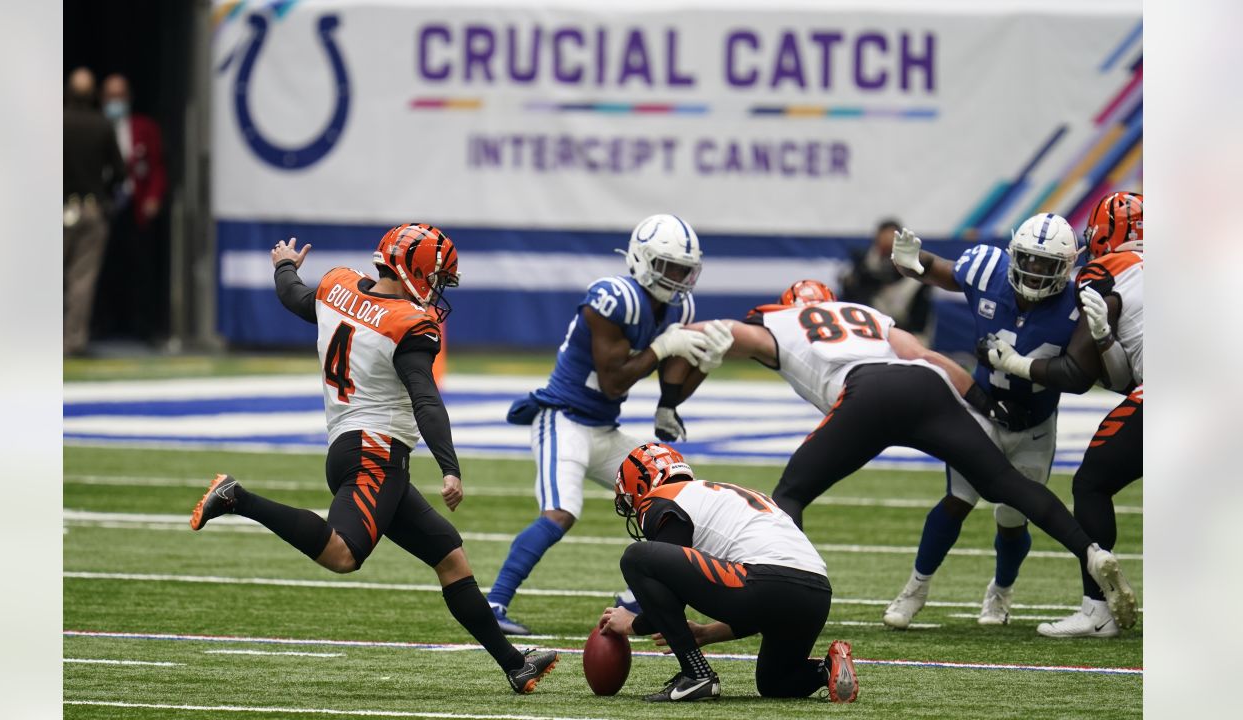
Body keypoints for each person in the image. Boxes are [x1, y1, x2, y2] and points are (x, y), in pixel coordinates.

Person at [188, 226, 558, 693]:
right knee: (343, 554)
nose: (439, 287)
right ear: (414, 270)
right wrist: (450, 467)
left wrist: (284, 266)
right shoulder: (407, 323)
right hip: (374, 454)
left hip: (358, 448)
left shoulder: (337, 285)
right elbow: (425, 399)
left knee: (450, 556)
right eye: (437, 277)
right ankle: (237, 496)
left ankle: (514, 665)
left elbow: (294, 297)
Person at [671, 280, 1139, 631]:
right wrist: (985, 403)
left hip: (868, 393)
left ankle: (777, 609)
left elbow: (730, 333)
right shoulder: (863, 315)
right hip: (923, 385)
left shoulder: (781, 321)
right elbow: (928, 356)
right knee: (1004, 483)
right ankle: (1091, 551)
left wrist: (676, 341)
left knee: (789, 496)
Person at [487, 213, 730, 635]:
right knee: (561, 512)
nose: (676, 278)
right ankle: (493, 603)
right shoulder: (613, 297)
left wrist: (690, 381)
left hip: (602, 427)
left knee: (679, 495)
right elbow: (616, 376)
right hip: (562, 418)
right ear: (642, 259)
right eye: (668, 266)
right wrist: (661, 345)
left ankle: (633, 599)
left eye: (683, 269)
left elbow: (671, 366)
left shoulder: (677, 306)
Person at [881, 213, 1087, 628]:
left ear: (1067, 267)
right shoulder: (987, 270)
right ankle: (916, 587)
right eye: (1028, 259)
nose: (1034, 270)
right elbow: (933, 269)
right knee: (958, 500)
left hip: (1035, 423)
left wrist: (1022, 365)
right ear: (1013, 254)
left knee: (1013, 519)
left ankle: (1001, 592)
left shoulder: (1080, 303)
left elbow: (1081, 374)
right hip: (983, 410)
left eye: (1047, 264)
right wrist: (907, 261)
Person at [981, 192, 1144, 637]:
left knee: (1091, 483)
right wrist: (1108, 341)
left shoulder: (1103, 271)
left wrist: (1012, 362)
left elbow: (1077, 374)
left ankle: (1097, 613)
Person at [599, 442, 858, 703]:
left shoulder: (664, 498)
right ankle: (827, 668)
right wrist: (709, 632)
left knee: (636, 557)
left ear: (642, 486)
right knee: (776, 681)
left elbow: (671, 592)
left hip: (765, 582)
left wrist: (632, 623)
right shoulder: (723, 495)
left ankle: (696, 675)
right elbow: (767, 599)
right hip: (816, 595)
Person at [95, 73, 169, 344]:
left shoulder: (144, 127)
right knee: (102, 269)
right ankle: (100, 326)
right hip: (102, 207)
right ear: (102, 99)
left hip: (135, 208)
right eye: (111, 96)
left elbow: (157, 167)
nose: (116, 101)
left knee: (140, 269)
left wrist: (153, 197)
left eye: (121, 95)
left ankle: (142, 326)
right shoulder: (95, 126)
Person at [63, 67, 125, 355]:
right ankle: (72, 341)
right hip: (90, 208)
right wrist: (106, 195)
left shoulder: (56, 122)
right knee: (81, 279)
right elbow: (120, 172)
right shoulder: (101, 125)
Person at [839, 218, 932, 334]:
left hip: (904, 324)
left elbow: (895, 276)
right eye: (884, 237)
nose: (887, 242)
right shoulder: (863, 261)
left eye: (891, 238)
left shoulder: (913, 265)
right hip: (868, 322)